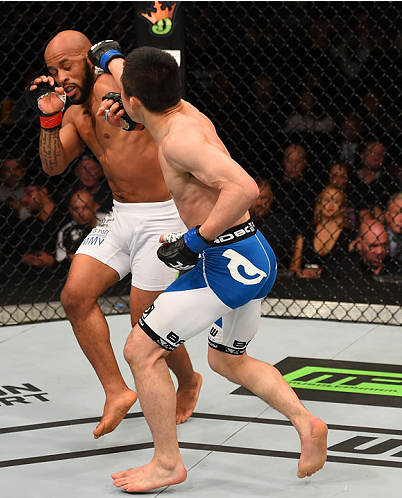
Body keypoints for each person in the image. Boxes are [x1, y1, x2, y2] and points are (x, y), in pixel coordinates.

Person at [95, 43, 327, 491]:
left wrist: (195, 241)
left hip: (224, 259)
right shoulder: (179, 109)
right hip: (251, 254)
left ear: (135, 101)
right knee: (226, 359)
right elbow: (138, 77)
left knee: (139, 352)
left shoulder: (179, 140)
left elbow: (243, 187)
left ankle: (167, 462)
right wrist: (108, 57)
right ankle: (306, 422)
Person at [25, 30, 201, 439]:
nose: (60, 76)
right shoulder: (71, 107)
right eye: (53, 69)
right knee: (75, 295)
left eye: (66, 66)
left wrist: (119, 82)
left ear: (88, 59)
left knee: (145, 319)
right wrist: (50, 116)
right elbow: (52, 165)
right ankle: (115, 389)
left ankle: (188, 380)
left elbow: (159, 105)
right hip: (120, 215)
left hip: (163, 214)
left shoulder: (119, 87)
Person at [290, 185, 353, 279]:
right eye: (327, 200)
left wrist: (325, 273)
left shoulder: (349, 236)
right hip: (304, 284)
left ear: (342, 207)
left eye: (335, 201)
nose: (331, 204)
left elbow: (350, 270)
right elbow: (293, 268)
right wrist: (302, 273)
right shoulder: (305, 233)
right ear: (319, 204)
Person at [249, 177, 296, 270]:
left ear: (271, 199)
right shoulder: (237, 223)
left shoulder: (283, 223)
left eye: (263, 198)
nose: (259, 203)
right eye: (255, 198)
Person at [56, 188, 108, 266]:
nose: (81, 213)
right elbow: (61, 260)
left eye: (85, 207)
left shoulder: (111, 223)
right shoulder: (65, 232)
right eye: (76, 208)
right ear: (70, 210)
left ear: (95, 207)